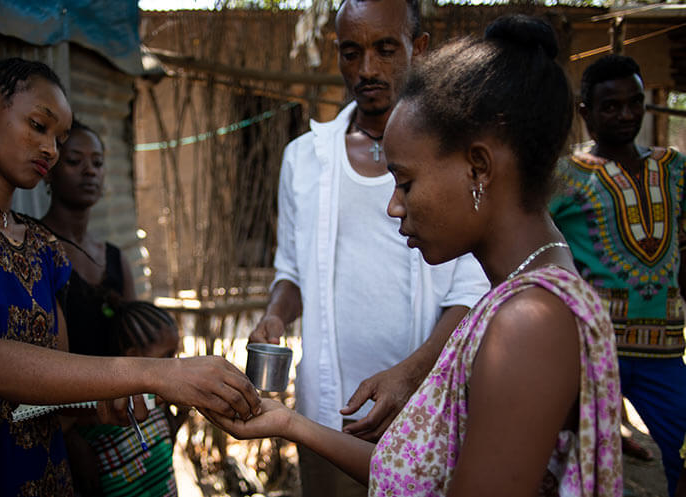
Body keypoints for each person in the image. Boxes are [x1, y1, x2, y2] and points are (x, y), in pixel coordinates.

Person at [210, 15, 622, 496]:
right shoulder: (521, 295)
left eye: (405, 182)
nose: (393, 205)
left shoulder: (528, 322)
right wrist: (290, 423)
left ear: (479, 168)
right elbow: (427, 477)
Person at [0, 57, 260, 496]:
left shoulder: (44, 249)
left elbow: (54, 393)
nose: (51, 149)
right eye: (39, 126)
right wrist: (155, 373)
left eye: (59, 139)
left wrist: (103, 403)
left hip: (46, 475)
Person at [249, 0, 488, 494]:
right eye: (352, 53)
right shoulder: (306, 158)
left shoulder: (452, 157)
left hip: (426, 409)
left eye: (385, 49)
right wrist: (276, 313)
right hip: (327, 415)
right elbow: (291, 270)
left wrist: (410, 375)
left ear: (418, 49)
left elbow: (470, 292)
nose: (367, 70)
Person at [548, 53, 686, 496]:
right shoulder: (566, 176)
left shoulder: (674, 169)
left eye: (634, 102)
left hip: (664, 348)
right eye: (611, 106)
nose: (626, 114)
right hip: (592, 346)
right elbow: (536, 244)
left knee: (680, 447)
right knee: (577, 458)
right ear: (585, 112)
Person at [41, 120, 137, 356]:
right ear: (48, 171)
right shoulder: (33, 249)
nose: (90, 171)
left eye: (98, 163)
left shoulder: (115, 259)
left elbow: (135, 342)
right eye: (74, 161)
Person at [74, 299, 186, 497]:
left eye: (175, 354)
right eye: (166, 356)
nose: (173, 364)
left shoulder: (158, 401)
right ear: (133, 355)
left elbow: (165, 447)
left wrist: (181, 415)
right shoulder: (107, 410)